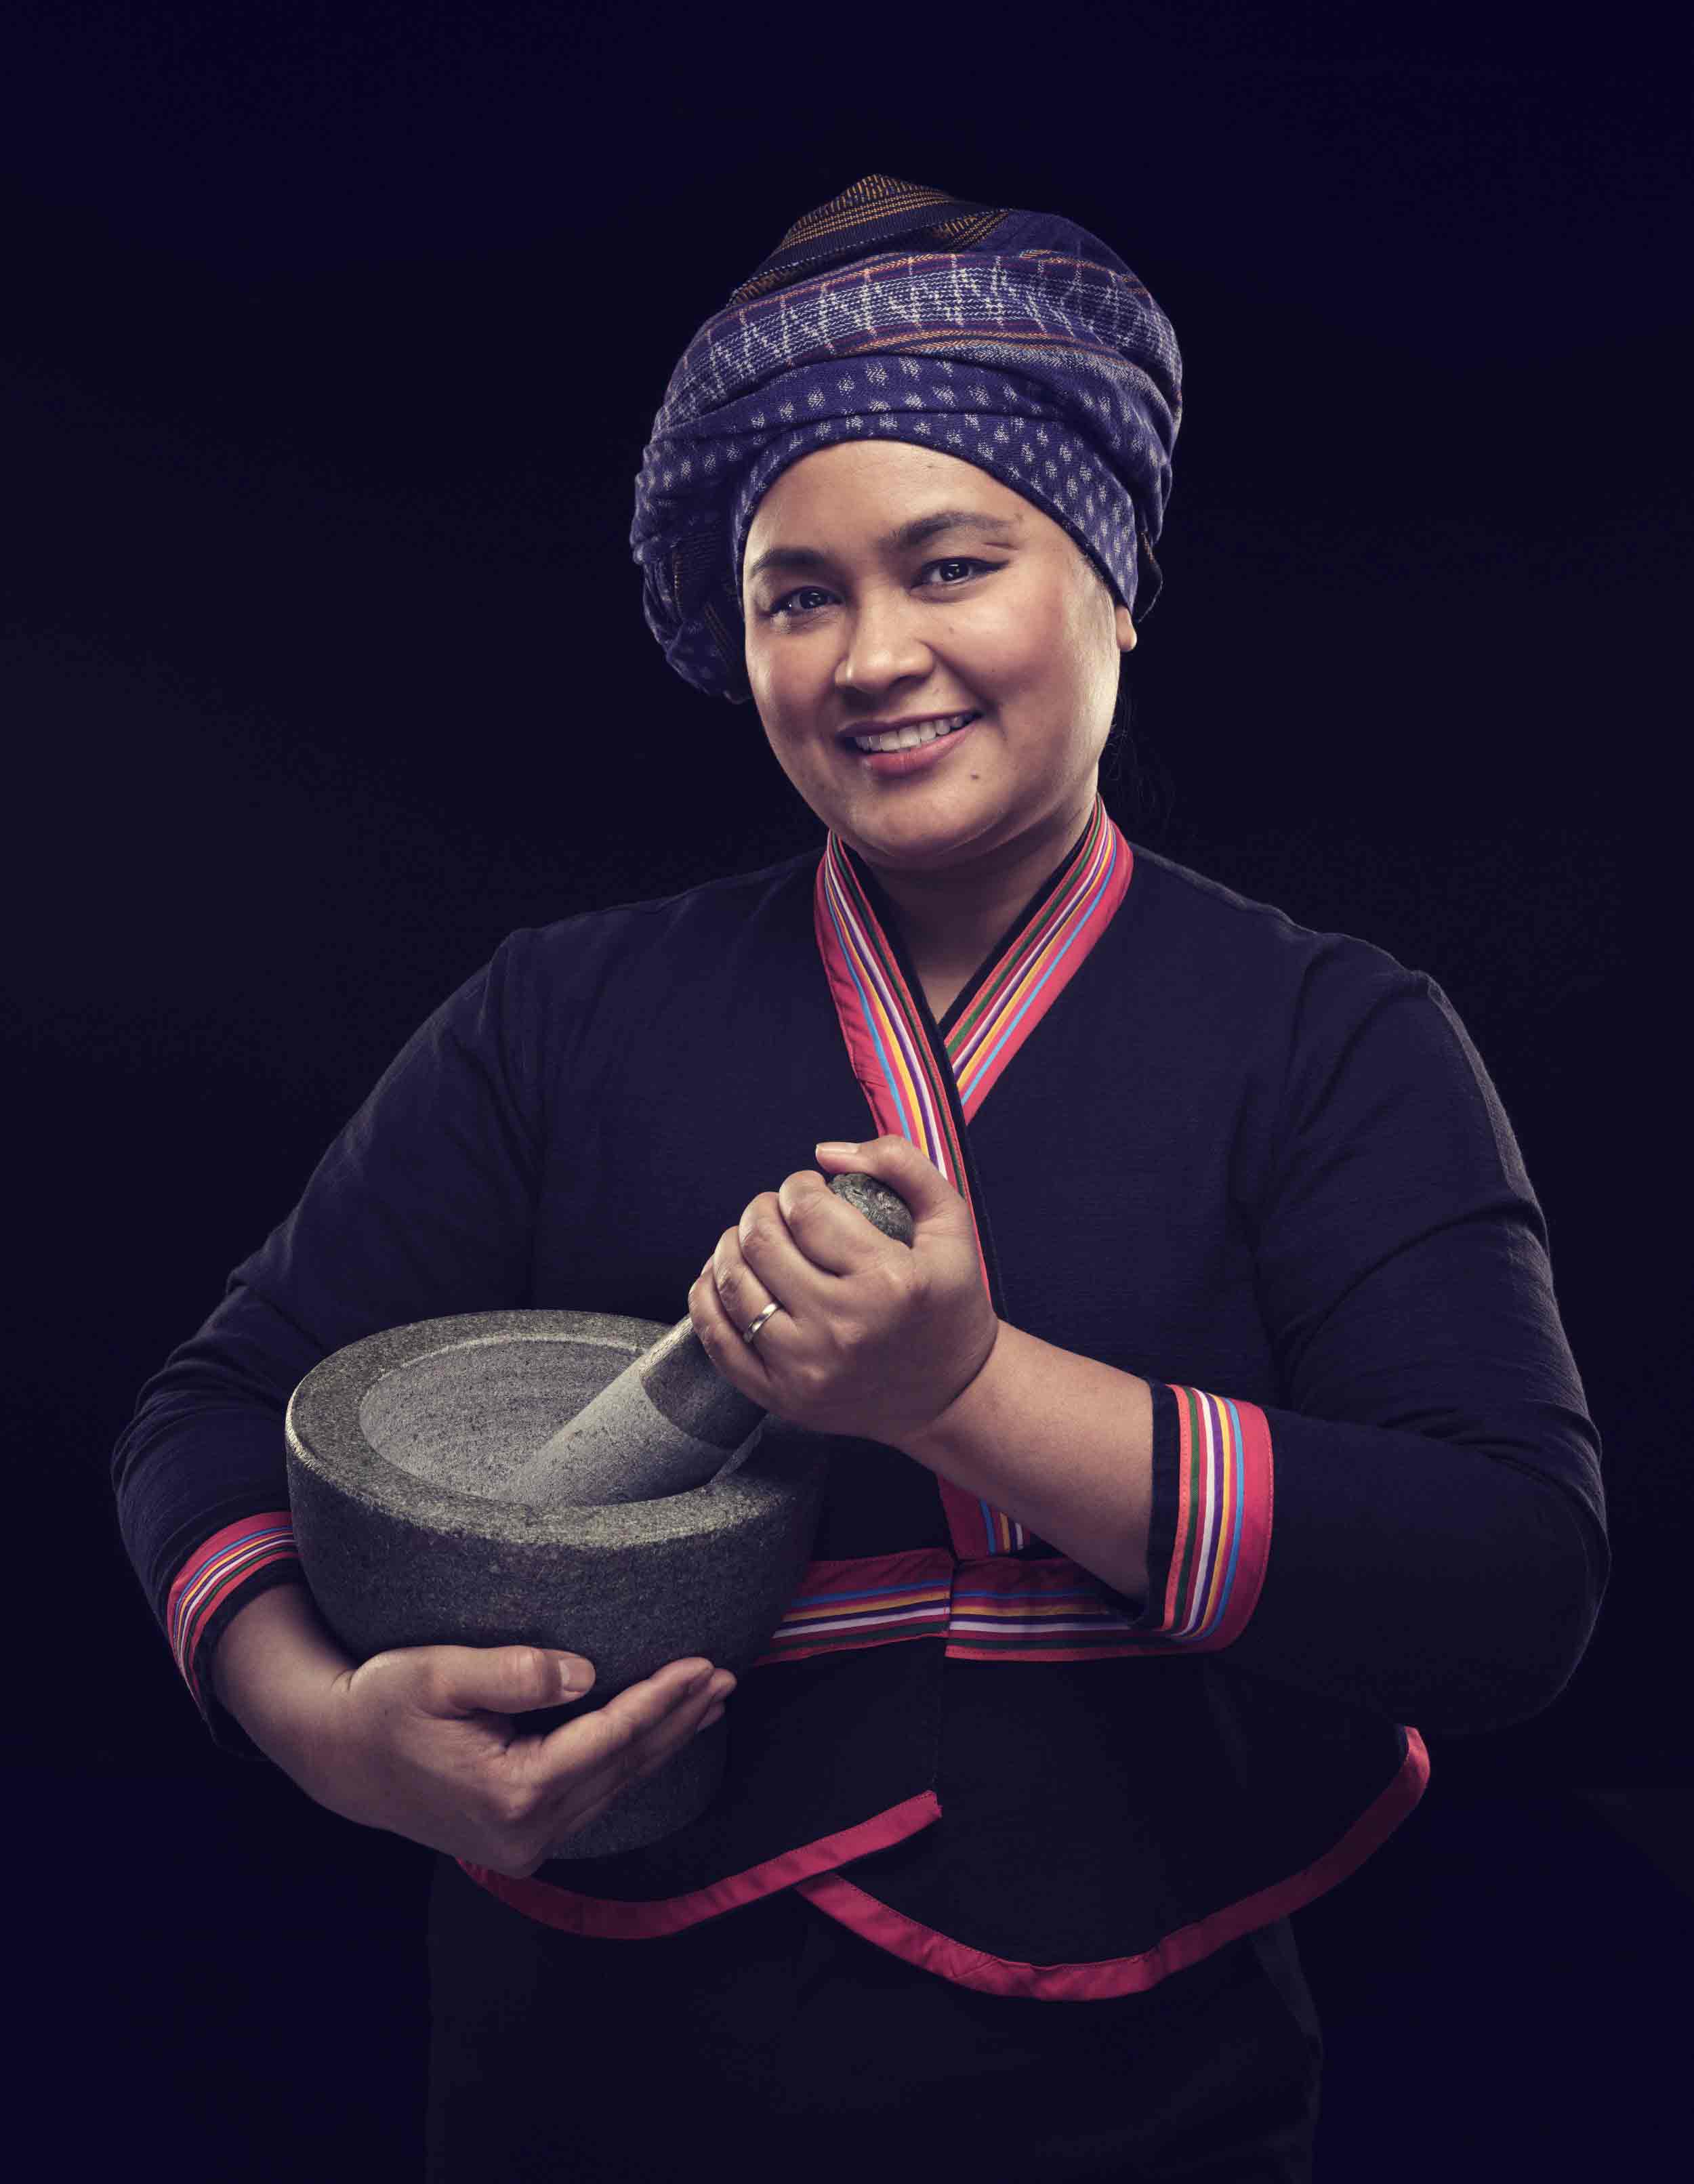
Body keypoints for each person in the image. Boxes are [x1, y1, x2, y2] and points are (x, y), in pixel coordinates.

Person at [112, 173, 1609, 2181]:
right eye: (793, 594)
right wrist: (328, 1733)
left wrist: (958, 1395)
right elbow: (207, 1417)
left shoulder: (1333, 1037)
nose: (868, 655)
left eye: (948, 562)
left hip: (1145, 2104)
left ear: (1113, 575)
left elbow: (1513, 1582)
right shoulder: (555, 1014)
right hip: (581, 2087)